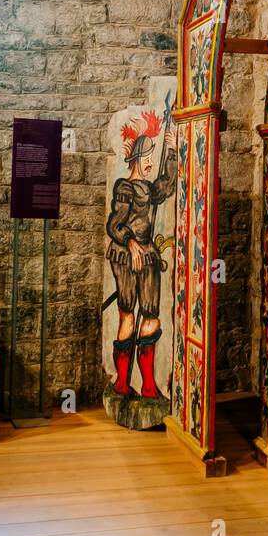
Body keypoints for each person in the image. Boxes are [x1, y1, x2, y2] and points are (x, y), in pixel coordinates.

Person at [105, 132, 174, 397]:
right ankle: (122, 383)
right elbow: (114, 225)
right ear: (136, 159)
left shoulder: (149, 188)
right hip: (125, 255)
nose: (149, 163)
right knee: (127, 314)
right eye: (147, 157)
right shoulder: (124, 187)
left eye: (151, 158)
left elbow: (166, 185)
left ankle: (147, 386)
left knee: (151, 315)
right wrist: (131, 241)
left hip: (147, 256)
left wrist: (171, 151)